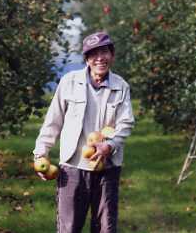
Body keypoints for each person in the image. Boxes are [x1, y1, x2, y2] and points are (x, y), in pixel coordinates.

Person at [33, 31, 135, 233]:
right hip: (73, 168)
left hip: (107, 166)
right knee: (69, 228)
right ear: (87, 58)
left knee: (106, 228)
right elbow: (53, 120)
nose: (100, 58)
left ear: (112, 56)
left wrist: (110, 145)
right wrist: (40, 153)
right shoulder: (69, 82)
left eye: (104, 52)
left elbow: (126, 123)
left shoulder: (121, 86)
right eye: (94, 53)